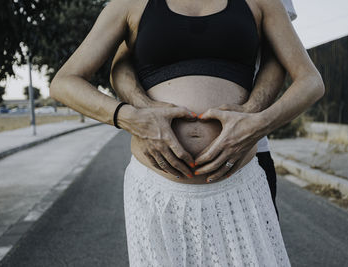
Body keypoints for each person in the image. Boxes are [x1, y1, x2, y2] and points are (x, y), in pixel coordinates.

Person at [50, 0, 324, 266]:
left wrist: (258, 122)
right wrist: (131, 117)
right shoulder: (129, 4)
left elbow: (310, 80)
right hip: (157, 193)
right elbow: (65, 82)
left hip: (239, 184)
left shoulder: (263, 2)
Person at [110, 0, 297, 221]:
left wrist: (252, 115)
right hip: (156, 180)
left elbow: (277, 56)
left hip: (244, 154)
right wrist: (141, 111)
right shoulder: (133, 6)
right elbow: (123, 59)